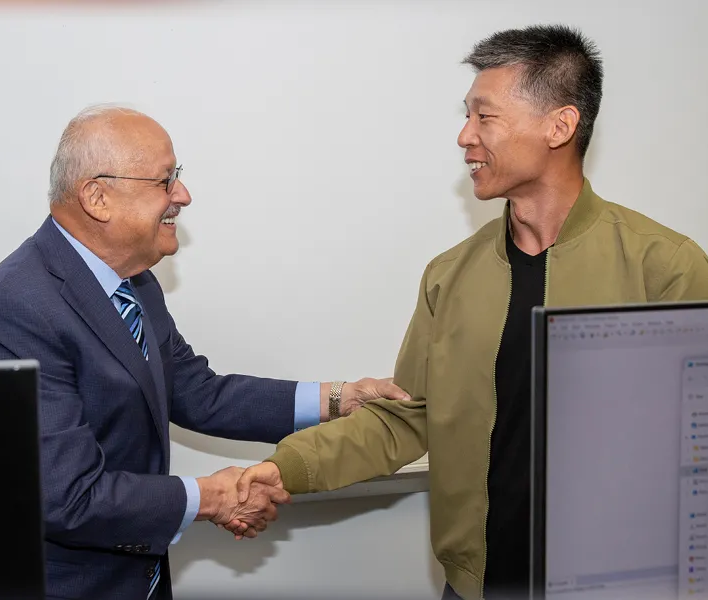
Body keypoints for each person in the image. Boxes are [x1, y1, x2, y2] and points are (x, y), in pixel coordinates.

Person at [234, 24, 708, 599]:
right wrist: (285, 468)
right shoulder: (450, 275)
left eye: (485, 117)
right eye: (467, 116)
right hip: (476, 584)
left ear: (559, 126)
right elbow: (403, 418)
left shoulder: (664, 267)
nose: (465, 136)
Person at [0, 104, 409, 600]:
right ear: (97, 197)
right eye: (165, 181)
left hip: (141, 579)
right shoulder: (16, 308)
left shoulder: (134, 282)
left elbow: (195, 391)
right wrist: (210, 497)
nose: (183, 196)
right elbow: (67, 496)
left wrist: (340, 398)